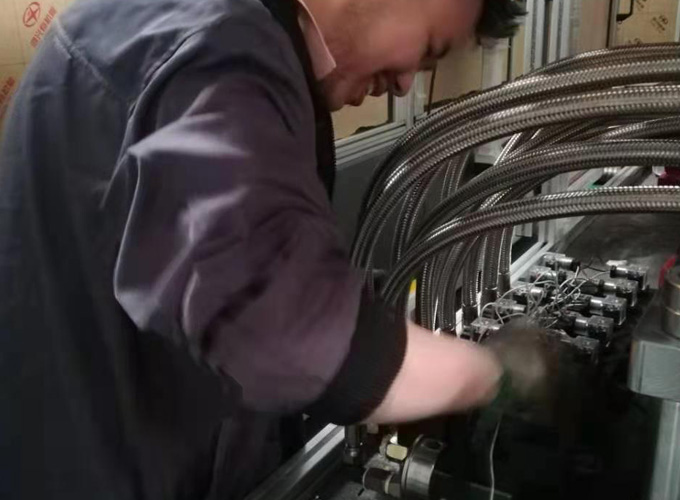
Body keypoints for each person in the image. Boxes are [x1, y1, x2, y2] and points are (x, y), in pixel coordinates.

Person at [0, 0, 537, 498]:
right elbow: (279, 319)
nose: (403, 84)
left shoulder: (209, 31)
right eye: (427, 50)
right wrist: (488, 373)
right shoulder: (215, 45)